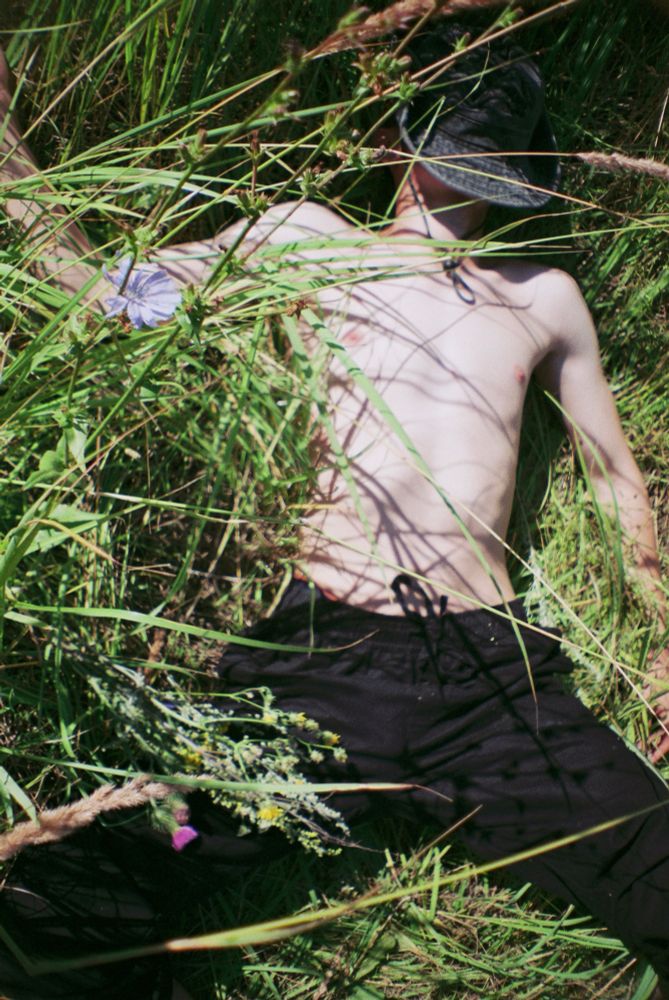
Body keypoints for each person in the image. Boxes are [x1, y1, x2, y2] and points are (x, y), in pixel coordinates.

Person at [0, 21, 668, 1000]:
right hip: (321, 664)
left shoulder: (543, 295)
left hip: (493, 683)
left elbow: (613, 475)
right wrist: (31, 204)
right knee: (109, 873)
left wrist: (658, 645)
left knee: (652, 864)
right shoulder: (310, 236)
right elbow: (125, 289)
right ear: (399, 142)